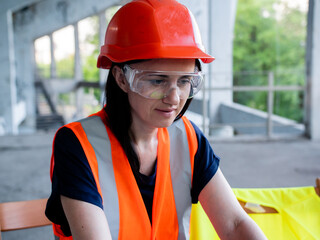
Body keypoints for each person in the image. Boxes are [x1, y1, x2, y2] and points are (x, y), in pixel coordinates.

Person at [45, 0, 268, 239]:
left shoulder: (188, 138)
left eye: (184, 81)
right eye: (157, 80)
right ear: (121, 79)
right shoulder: (78, 145)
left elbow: (234, 224)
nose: (174, 98)